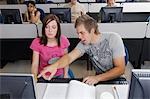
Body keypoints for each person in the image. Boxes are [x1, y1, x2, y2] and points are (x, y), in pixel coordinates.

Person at [38, 14, 126, 85]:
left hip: (116, 79)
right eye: (78, 33)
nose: (79, 37)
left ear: (92, 30)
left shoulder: (113, 38)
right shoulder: (84, 43)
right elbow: (69, 57)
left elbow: (120, 69)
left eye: (82, 33)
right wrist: (54, 66)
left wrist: (97, 78)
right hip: (99, 80)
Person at [30, 14, 70, 81]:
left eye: (53, 27)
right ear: (43, 29)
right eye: (47, 27)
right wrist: (34, 78)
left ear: (58, 29)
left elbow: (66, 60)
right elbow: (35, 64)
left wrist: (65, 75)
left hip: (60, 75)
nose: (50, 30)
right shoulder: (36, 42)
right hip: (43, 74)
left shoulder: (63, 40)